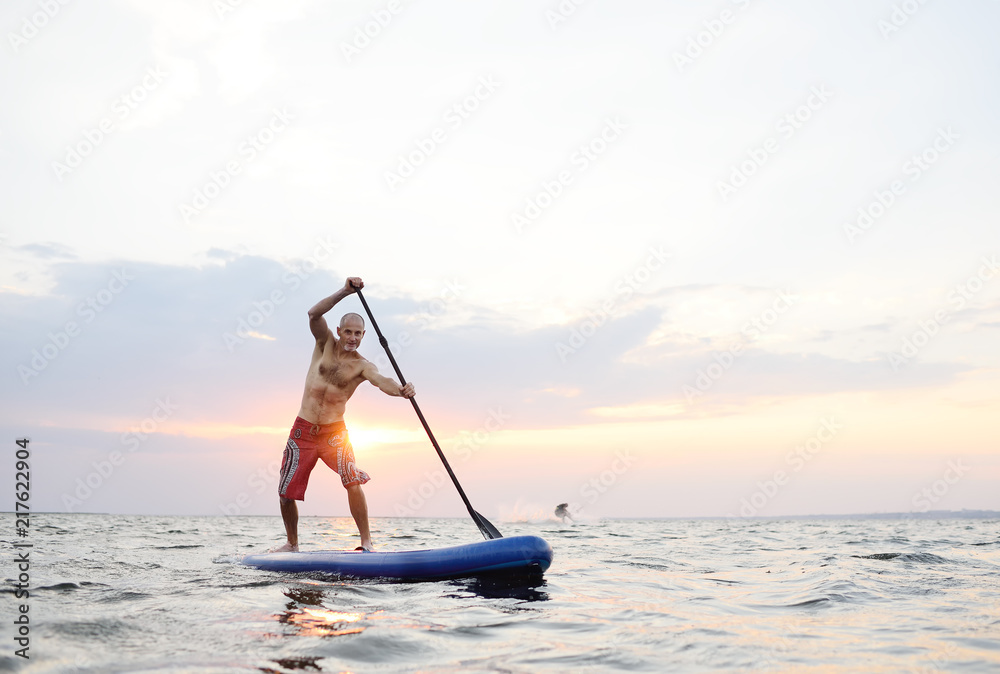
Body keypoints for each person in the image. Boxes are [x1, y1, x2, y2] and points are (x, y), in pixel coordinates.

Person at [274, 277, 415, 552]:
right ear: (339, 331)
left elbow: (381, 381)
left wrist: (401, 390)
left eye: (357, 334)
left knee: (352, 480)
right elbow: (313, 314)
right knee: (285, 492)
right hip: (302, 430)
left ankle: (366, 542)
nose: (352, 338)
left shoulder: (362, 365)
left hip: (334, 433)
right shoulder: (323, 343)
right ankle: (292, 545)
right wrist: (345, 292)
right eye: (348, 332)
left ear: (363, 336)